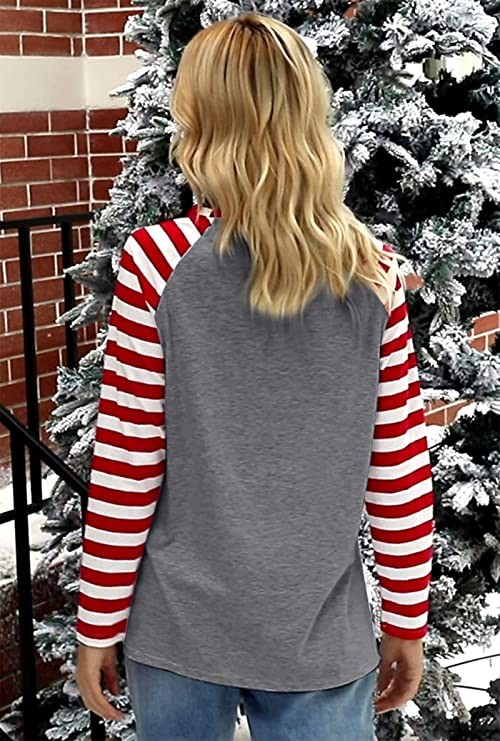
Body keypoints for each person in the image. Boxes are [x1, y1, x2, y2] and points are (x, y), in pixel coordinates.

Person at [75, 11, 435, 740]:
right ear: (309, 116)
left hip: (180, 627)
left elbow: (128, 463)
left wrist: (98, 621)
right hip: (318, 629)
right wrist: (406, 618)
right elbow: (397, 466)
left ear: (197, 121)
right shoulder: (375, 273)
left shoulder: (157, 263)